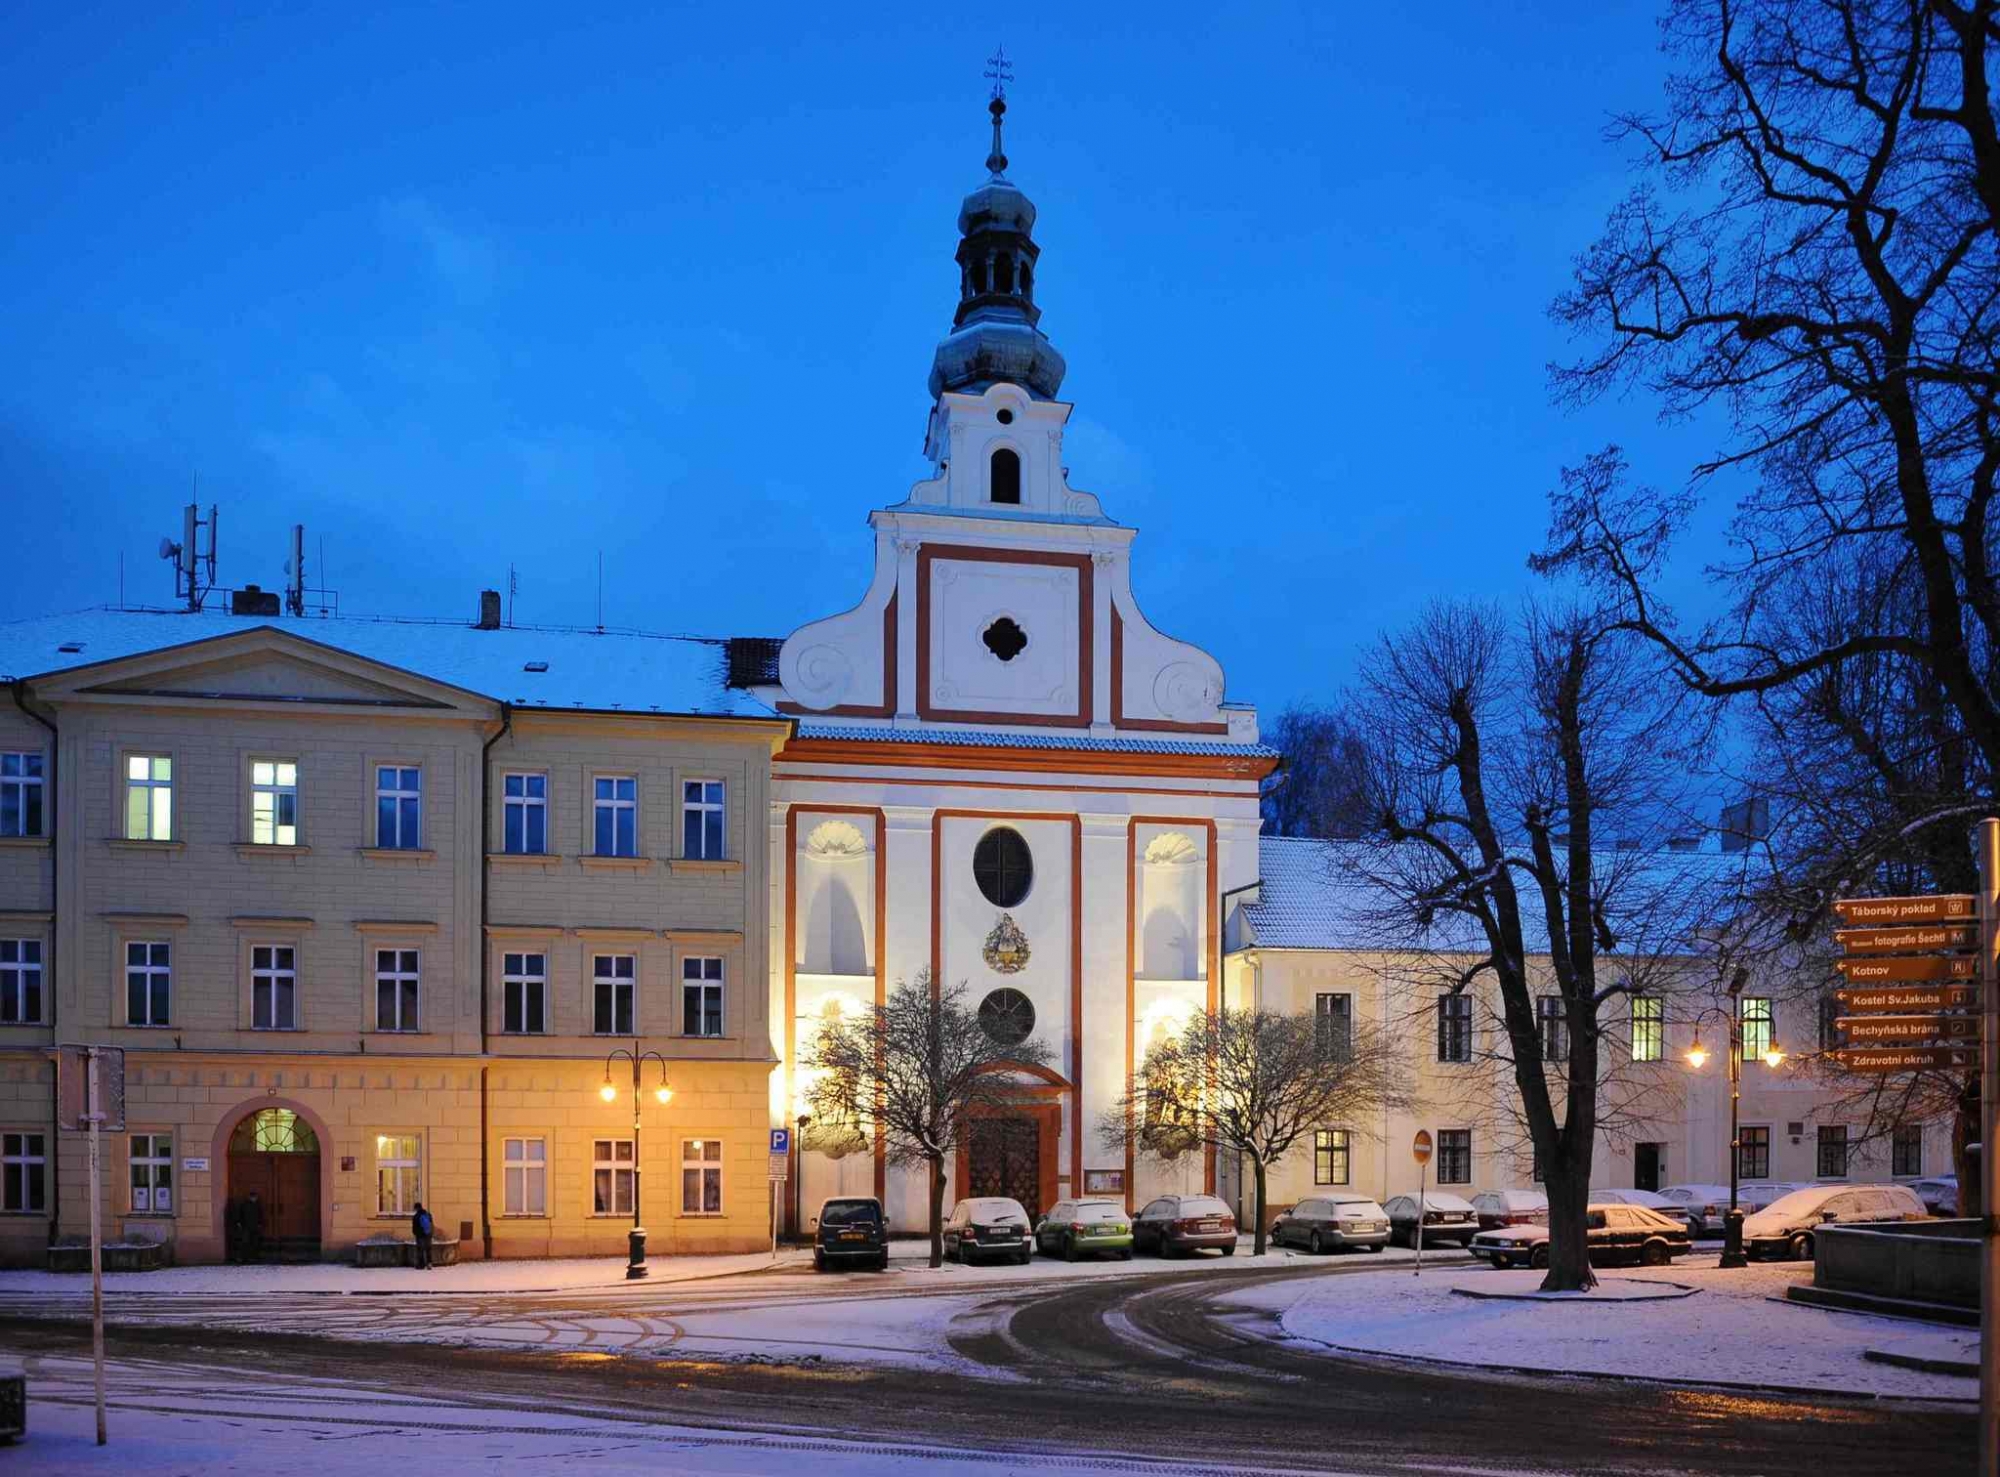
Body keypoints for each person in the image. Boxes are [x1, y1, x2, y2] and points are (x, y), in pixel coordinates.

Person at [241, 1191, 264, 1263]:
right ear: (250, 1197)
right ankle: (245, 1258)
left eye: (255, 1197)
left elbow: (260, 1215)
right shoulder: (244, 1204)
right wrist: (240, 1223)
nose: (255, 1198)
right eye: (253, 1197)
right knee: (245, 1242)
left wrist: (260, 1223)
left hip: (255, 1226)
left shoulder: (258, 1205)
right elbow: (241, 1214)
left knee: (255, 1242)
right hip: (246, 1226)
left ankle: (254, 1257)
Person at [411, 1201, 434, 1270]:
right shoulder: (428, 1214)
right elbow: (431, 1224)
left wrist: (415, 1233)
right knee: (428, 1249)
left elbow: (414, 1227)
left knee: (420, 1249)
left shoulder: (416, 1216)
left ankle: (421, 1265)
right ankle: (429, 1263)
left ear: (416, 1208)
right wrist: (430, 1233)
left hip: (420, 1235)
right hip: (428, 1234)